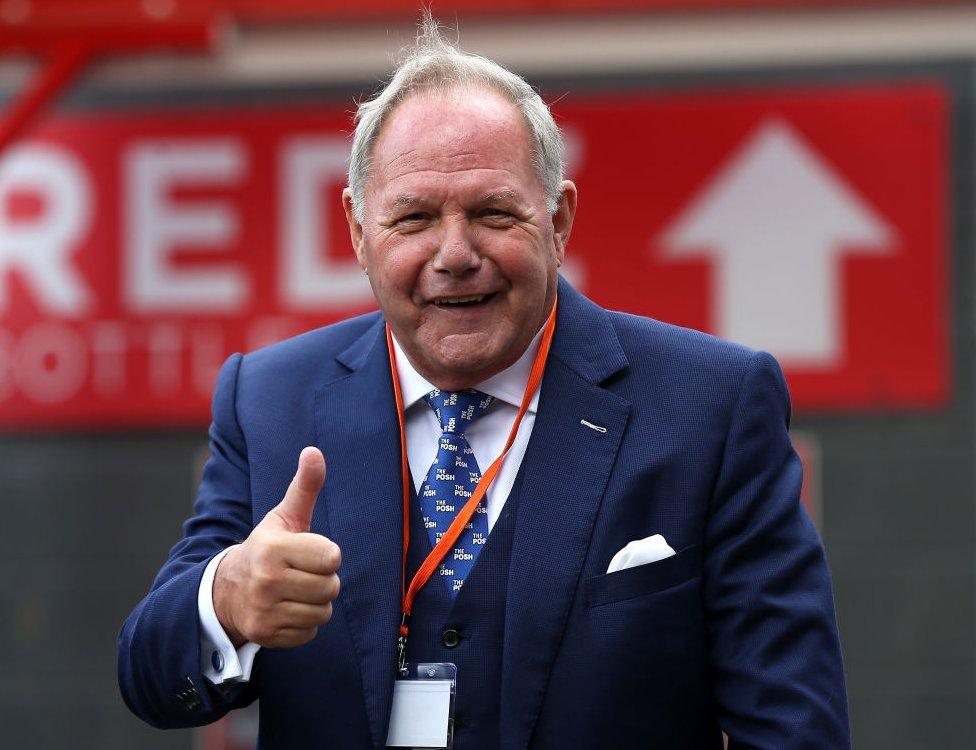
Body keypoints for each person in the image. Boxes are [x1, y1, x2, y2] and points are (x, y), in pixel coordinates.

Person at [118, 16, 850, 749]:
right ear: (358, 231)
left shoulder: (711, 407)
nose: (456, 254)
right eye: (414, 219)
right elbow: (149, 679)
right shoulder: (268, 401)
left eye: (494, 213)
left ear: (559, 219)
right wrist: (228, 601)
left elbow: (793, 728)